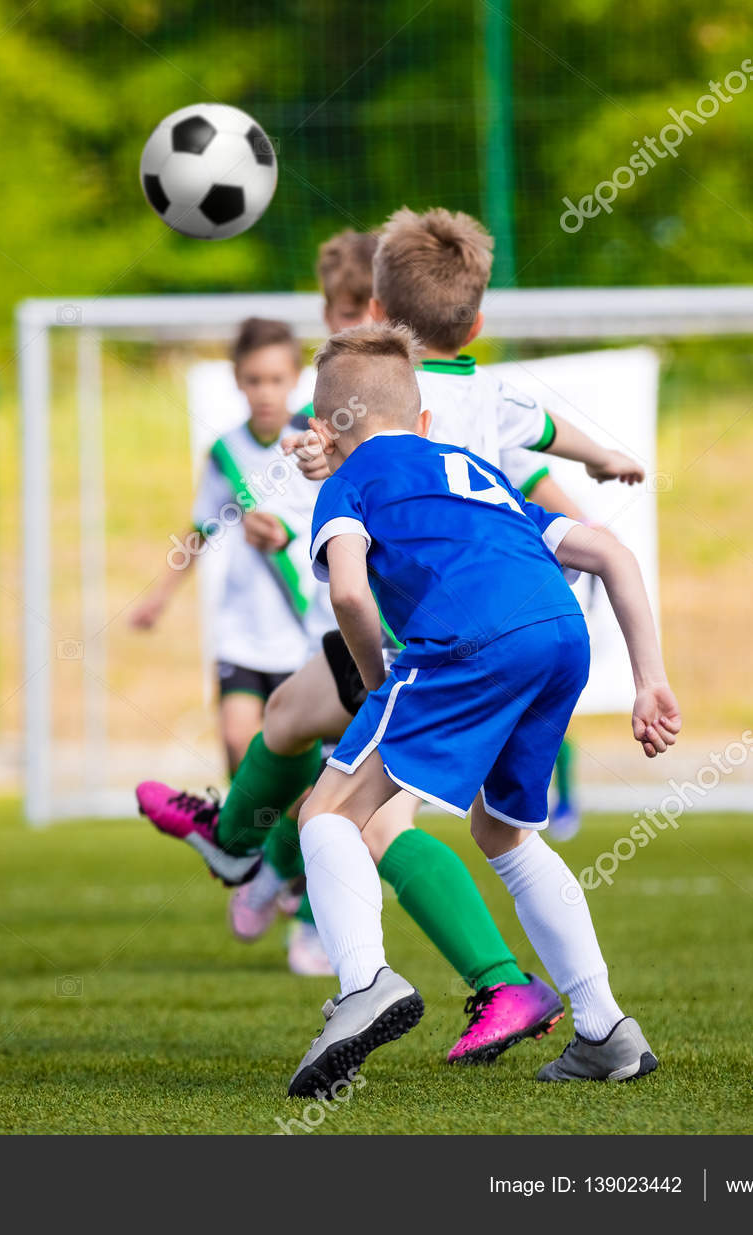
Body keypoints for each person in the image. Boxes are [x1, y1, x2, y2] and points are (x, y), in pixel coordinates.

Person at [140, 208, 642, 1061]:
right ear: (475, 323)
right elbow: (552, 447)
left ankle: (360, 958)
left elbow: (343, 546)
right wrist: (606, 461)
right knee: (459, 811)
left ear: (376, 317)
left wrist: (317, 459)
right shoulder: (489, 403)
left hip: (434, 636)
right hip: (542, 617)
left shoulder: (370, 425)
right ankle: (596, 1020)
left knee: (340, 804)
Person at [282, 322, 678, 1096]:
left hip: (471, 640)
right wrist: (649, 678)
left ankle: (364, 981)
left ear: (329, 433)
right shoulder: (474, 469)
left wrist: (374, 684)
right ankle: (602, 1028)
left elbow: (350, 590)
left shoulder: (348, 483)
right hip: (562, 636)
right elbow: (609, 554)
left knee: (325, 810)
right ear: (423, 420)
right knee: (502, 829)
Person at [128, 317, 339, 973]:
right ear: (237, 381)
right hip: (243, 634)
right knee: (243, 756)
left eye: (278, 378)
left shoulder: (319, 442)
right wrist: (158, 595)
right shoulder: (224, 452)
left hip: (305, 631)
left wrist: (286, 540)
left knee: (308, 787)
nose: (267, 391)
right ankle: (269, 864)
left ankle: (301, 905)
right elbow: (198, 527)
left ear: (295, 377)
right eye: (254, 379)